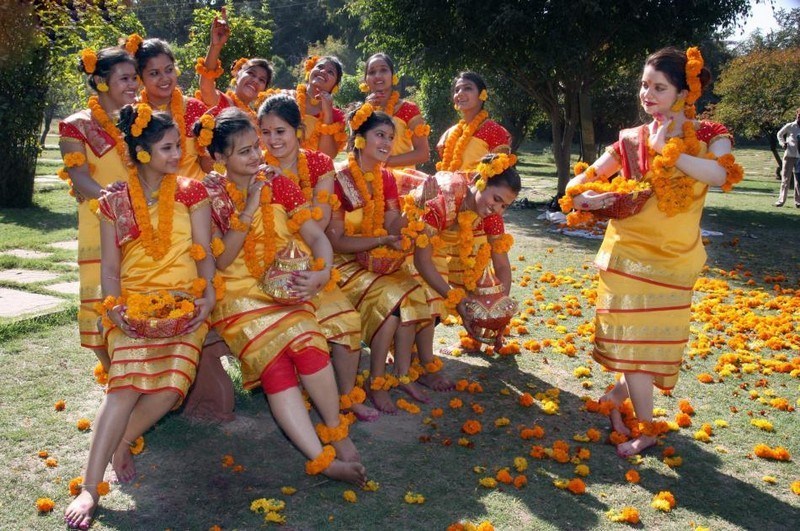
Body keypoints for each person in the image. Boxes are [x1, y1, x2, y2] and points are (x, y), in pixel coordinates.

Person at [563, 46, 743, 458]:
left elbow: (721, 175)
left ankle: (618, 395)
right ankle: (645, 428)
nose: (647, 94)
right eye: (644, 85)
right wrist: (585, 195)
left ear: (684, 92)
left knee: (652, 345)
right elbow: (585, 180)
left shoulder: (712, 135)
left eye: (659, 87)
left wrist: (671, 153)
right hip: (626, 257)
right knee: (633, 346)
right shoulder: (631, 139)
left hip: (676, 258)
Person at [64, 106, 217, 530]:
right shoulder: (115, 200)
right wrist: (115, 308)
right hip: (131, 306)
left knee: (170, 389)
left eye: (179, 144)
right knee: (123, 387)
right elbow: (110, 269)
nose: (178, 153)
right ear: (144, 153)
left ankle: (123, 441)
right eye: (168, 147)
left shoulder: (192, 192)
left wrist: (207, 298)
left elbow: (204, 255)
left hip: (187, 304)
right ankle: (90, 487)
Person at [201, 108, 367, 485]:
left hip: (282, 287)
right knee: (275, 364)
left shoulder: (280, 183)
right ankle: (321, 459)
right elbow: (222, 258)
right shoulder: (209, 195)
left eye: (255, 147)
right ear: (219, 158)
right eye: (244, 152)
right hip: (238, 296)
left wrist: (323, 271)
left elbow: (316, 237)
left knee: (309, 346)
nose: (257, 156)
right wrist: (248, 206)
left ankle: (334, 430)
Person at [258, 93, 379, 422]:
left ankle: (346, 397)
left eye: (280, 131)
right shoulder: (253, 164)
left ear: (297, 130)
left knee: (347, 322)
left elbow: (322, 219)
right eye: (265, 132)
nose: (272, 139)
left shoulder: (318, 164)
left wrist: (285, 191)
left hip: (312, 258)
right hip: (263, 263)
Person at [326, 104, 432, 413]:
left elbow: (392, 223)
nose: (387, 143)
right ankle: (376, 381)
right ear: (359, 138)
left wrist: (417, 208)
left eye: (391, 137)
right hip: (342, 263)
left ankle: (400, 374)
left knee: (413, 293)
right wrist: (382, 240)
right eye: (380, 135)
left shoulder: (386, 179)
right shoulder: (339, 179)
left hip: (375, 258)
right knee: (393, 300)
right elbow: (336, 240)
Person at [59, 46, 138, 372]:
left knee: (137, 296)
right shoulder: (75, 125)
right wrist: (108, 197)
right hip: (99, 221)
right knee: (100, 301)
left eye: (135, 77)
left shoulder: (140, 119)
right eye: (124, 79)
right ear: (101, 82)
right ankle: (113, 376)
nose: (133, 85)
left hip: (140, 223)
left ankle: (140, 373)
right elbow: (78, 177)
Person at [412, 154, 519, 352]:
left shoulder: (492, 216)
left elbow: (502, 265)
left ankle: (419, 352)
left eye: (504, 206)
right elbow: (421, 259)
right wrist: (455, 298)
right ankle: (420, 359)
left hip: (452, 243)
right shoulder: (444, 197)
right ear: (482, 182)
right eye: (496, 199)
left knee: (482, 279)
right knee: (430, 292)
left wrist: (498, 311)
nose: (497, 209)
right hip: (414, 239)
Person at [127, 35, 211, 180]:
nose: (164, 78)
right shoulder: (132, 115)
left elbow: (208, 164)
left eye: (169, 70)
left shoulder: (195, 108)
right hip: (151, 199)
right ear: (140, 77)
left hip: (197, 196)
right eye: (154, 73)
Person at [195, 7, 274, 123]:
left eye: (262, 80)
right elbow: (206, 88)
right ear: (237, 75)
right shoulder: (220, 102)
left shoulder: (257, 122)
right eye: (251, 73)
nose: (256, 80)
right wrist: (215, 46)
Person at [361, 53, 430, 170]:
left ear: (393, 77)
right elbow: (354, 151)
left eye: (383, 70)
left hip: (402, 182)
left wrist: (387, 161)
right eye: (372, 72)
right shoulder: (361, 113)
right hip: (368, 180)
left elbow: (423, 154)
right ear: (366, 80)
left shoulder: (408, 109)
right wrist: (366, 112)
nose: (377, 75)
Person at [436, 72, 511, 172]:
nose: (460, 93)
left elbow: (500, 173)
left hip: (481, 186)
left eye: (468, 88)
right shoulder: (449, 133)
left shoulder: (494, 130)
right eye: (457, 90)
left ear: (482, 95)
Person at [288, 55, 348, 158]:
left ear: (335, 86)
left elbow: (328, 156)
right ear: (310, 71)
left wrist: (328, 115)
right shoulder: (288, 98)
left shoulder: (337, 117)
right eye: (320, 67)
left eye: (330, 72)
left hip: (314, 171)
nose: (323, 71)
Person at [775, 107, 800, 207]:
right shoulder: (790, 126)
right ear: (797, 115)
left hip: (799, 157)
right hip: (789, 155)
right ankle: (781, 201)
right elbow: (779, 134)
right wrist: (782, 143)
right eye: (799, 116)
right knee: (785, 179)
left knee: (798, 180)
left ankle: (798, 202)